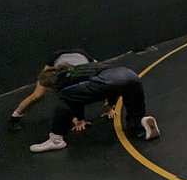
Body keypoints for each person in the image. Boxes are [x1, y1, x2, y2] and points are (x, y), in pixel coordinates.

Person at [29, 62, 159, 153]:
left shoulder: (61, 83)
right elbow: (113, 85)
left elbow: (76, 101)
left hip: (107, 82)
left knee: (65, 97)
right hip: (129, 75)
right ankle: (139, 124)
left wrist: (80, 118)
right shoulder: (80, 69)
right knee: (133, 107)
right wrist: (110, 105)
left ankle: (56, 139)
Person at [8, 49, 94, 131]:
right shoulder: (55, 71)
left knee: (102, 80)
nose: (50, 92)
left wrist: (79, 119)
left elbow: (76, 99)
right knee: (38, 95)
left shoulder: (81, 76)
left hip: (83, 56)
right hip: (58, 57)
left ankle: (107, 107)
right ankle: (15, 116)